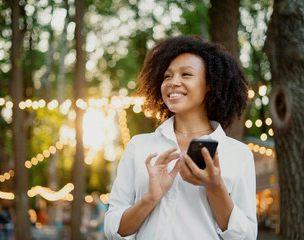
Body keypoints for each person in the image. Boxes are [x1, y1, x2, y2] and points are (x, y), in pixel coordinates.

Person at [104, 35, 257, 239]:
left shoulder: (238, 154)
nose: (173, 83)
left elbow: (246, 236)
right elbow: (113, 229)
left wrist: (215, 187)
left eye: (186, 74)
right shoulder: (139, 146)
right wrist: (150, 198)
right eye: (167, 76)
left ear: (210, 83)